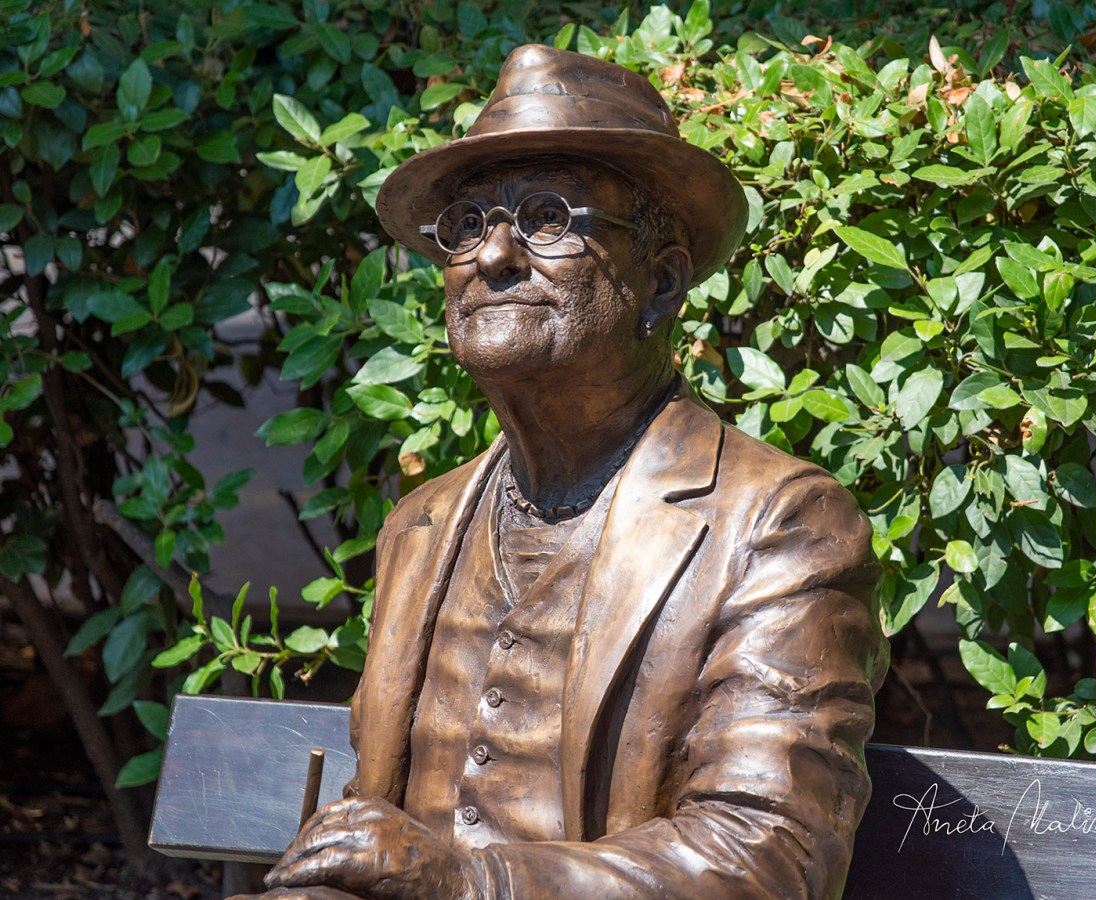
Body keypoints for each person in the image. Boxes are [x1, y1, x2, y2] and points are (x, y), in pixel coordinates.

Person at [256, 44, 888, 899]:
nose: (492, 256)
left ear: (660, 285)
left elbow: (767, 858)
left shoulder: (777, 524)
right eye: (467, 226)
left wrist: (472, 884)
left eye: (548, 218)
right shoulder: (421, 525)